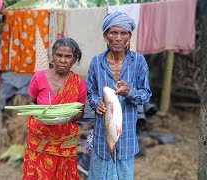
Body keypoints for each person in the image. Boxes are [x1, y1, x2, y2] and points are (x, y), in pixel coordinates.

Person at [86, 12, 152, 179]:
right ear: (105, 36)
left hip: (127, 134)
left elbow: (146, 94)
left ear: (129, 37)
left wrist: (129, 92)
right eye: (113, 33)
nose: (118, 38)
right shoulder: (96, 62)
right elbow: (90, 92)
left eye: (123, 33)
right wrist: (96, 102)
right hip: (102, 134)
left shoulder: (138, 61)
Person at [22, 38, 87, 179]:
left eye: (68, 56)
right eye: (59, 55)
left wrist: (70, 116)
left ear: (75, 59)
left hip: (64, 142)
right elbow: (30, 101)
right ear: (53, 57)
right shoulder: (38, 77)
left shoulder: (79, 83)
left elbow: (81, 111)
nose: (63, 60)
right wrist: (37, 112)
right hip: (39, 139)